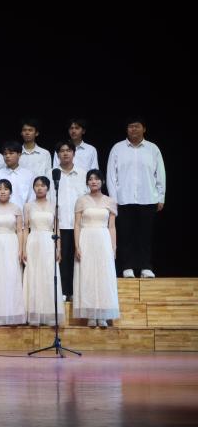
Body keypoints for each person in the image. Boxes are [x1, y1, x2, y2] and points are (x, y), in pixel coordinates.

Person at [107, 117, 166, 278]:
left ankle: (146, 267)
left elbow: (160, 173)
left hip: (148, 198)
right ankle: (127, 267)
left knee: (145, 235)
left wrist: (161, 197)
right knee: (126, 235)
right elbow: (111, 175)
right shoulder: (117, 148)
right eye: (130, 127)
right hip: (123, 199)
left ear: (144, 129)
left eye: (137, 126)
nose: (133, 129)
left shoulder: (152, 149)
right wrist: (113, 199)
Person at [73, 170, 120, 327]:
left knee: (103, 275)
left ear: (102, 181)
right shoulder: (81, 201)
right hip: (86, 238)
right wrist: (77, 246)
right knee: (87, 275)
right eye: (90, 179)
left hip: (103, 239)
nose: (93, 181)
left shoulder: (110, 201)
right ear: (87, 182)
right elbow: (77, 225)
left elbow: (112, 226)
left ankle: (103, 314)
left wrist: (113, 247)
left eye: (97, 179)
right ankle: (90, 314)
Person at [23, 176, 65, 326]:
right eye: (37, 185)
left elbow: (57, 229)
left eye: (42, 185)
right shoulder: (28, 206)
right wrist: (23, 249)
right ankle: (34, 314)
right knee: (34, 275)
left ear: (48, 188)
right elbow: (25, 229)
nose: (39, 188)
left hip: (49, 241)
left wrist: (58, 248)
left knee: (48, 275)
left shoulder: (54, 206)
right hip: (33, 240)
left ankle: (49, 315)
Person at [0, 180, 26, 326]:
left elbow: (20, 230)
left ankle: (13, 313)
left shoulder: (16, 208)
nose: (2, 191)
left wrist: (21, 249)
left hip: (12, 243)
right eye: (0, 189)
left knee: (11, 276)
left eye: (6, 189)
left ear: (11, 192)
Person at [53, 140, 88, 298]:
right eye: (62, 150)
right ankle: (63, 291)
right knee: (60, 258)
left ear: (74, 153)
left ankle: (75, 292)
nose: (65, 153)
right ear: (57, 154)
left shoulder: (83, 173)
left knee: (77, 258)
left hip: (79, 224)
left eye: (68, 150)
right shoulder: (52, 173)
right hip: (59, 223)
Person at [0, 142, 34, 207]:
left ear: (19, 154)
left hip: (23, 212)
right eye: (5, 154)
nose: (7, 156)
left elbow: (31, 198)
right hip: (1, 212)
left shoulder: (29, 175)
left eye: (11, 153)